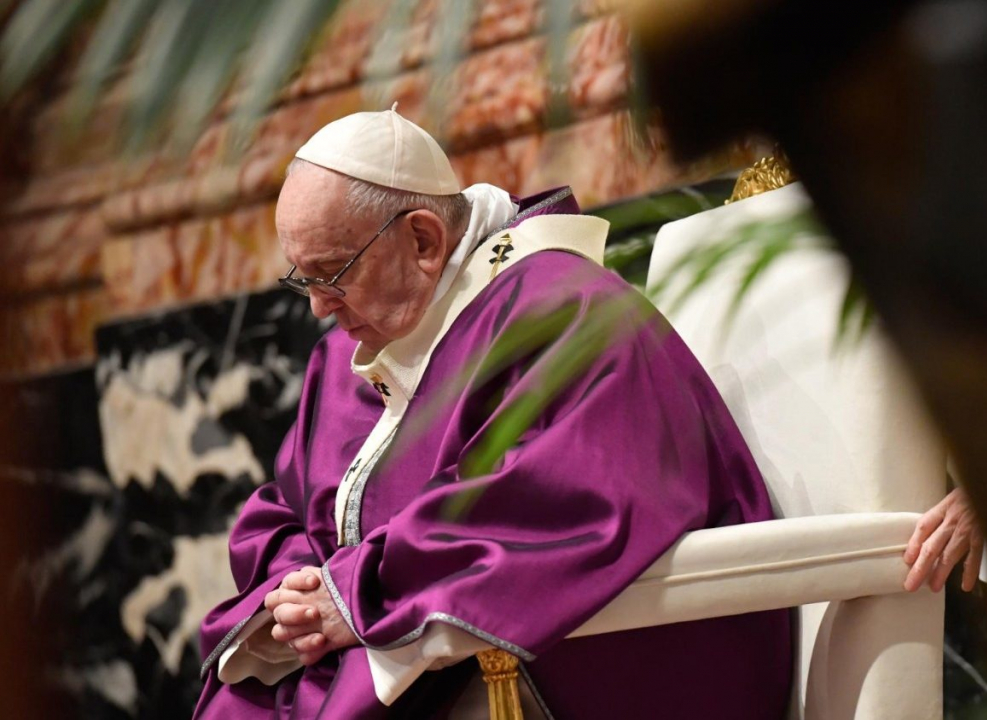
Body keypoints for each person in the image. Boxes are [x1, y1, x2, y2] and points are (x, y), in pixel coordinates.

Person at [193, 107, 792, 718]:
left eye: (333, 273)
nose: (319, 308)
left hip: (587, 665)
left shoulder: (563, 310)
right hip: (396, 655)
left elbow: (563, 500)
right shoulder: (349, 352)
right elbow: (287, 504)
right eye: (302, 279)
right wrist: (296, 591)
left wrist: (353, 593)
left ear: (423, 241)